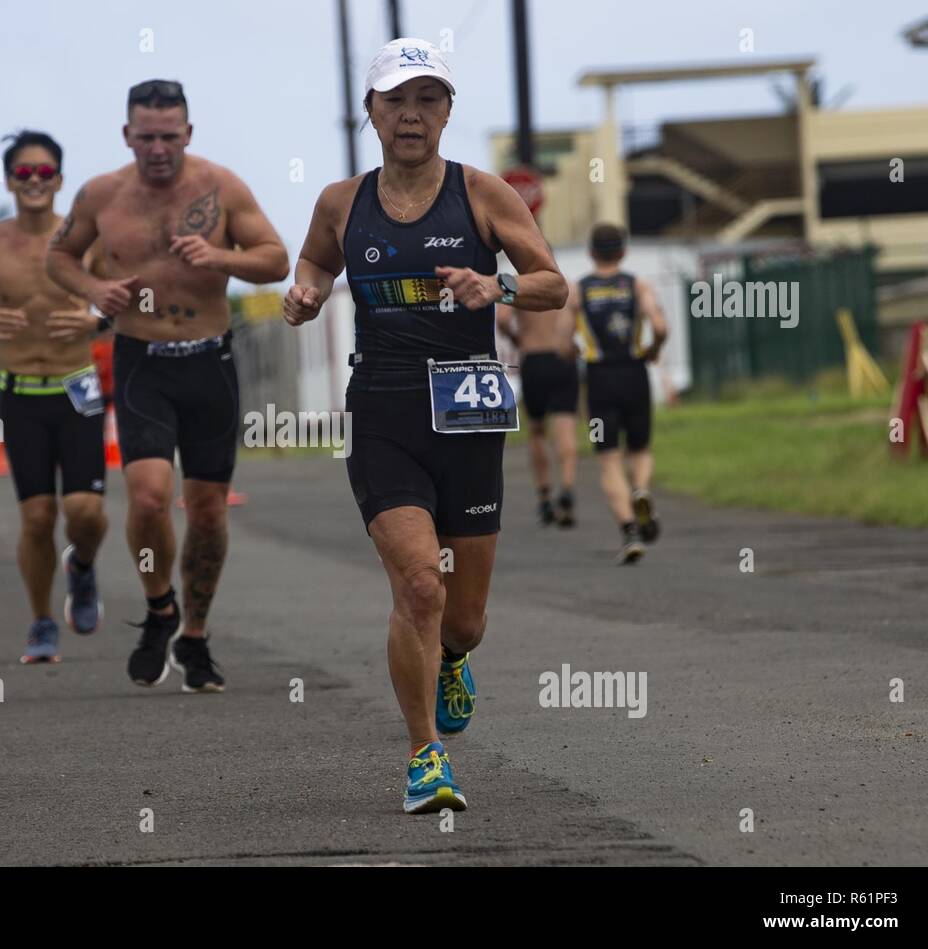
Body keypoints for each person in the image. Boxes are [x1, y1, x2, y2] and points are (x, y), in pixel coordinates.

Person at [284, 39, 566, 813]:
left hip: (471, 410)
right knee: (418, 586)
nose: (412, 115)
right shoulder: (343, 202)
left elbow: (553, 286)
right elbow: (313, 263)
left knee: (464, 620)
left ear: (448, 112)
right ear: (370, 111)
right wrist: (305, 294)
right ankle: (425, 759)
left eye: (429, 100)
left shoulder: (483, 194)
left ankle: (451, 660)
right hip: (384, 408)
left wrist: (496, 286)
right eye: (396, 100)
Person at [46, 80, 289, 692]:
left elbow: (276, 259)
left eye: (169, 135)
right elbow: (60, 256)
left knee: (206, 512)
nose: (158, 148)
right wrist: (94, 291)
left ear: (189, 132)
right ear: (127, 135)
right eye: (146, 136)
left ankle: (196, 636)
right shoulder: (102, 194)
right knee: (150, 497)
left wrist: (220, 258)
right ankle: (160, 607)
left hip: (210, 363)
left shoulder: (221, 185)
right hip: (142, 362)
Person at [0, 130, 108, 663]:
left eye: (45, 173)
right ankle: (42, 621)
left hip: (77, 388)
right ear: (9, 180)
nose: (35, 182)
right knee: (38, 517)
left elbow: (127, 302)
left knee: (85, 511)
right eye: (24, 173)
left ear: (60, 179)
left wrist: (95, 319)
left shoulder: (86, 240)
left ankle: (82, 566)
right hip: (20, 394)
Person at [569, 223, 668, 563]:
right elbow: (659, 326)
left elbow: (564, 339)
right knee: (639, 449)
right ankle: (641, 489)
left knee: (608, 459)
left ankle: (629, 533)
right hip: (634, 373)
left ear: (591, 253)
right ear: (623, 252)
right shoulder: (637, 284)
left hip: (599, 379)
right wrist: (654, 349)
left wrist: (574, 353)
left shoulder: (578, 290)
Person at [496, 298, 579, 527]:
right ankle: (567, 489)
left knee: (537, 430)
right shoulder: (568, 287)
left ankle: (544, 496)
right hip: (563, 359)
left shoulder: (520, 285)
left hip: (533, 358)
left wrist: (516, 338)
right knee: (566, 425)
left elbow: (502, 318)